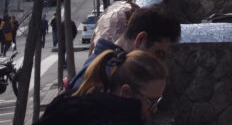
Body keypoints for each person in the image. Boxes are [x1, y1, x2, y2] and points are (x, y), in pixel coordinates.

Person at [67, 5, 180, 93]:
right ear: (140, 39)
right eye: (158, 54)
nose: (158, 63)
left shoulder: (102, 64)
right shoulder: (112, 78)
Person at [39, 49, 167, 124]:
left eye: (158, 101)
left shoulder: (78, 105)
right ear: (126, 91)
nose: (154, 109)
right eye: (151, 101)